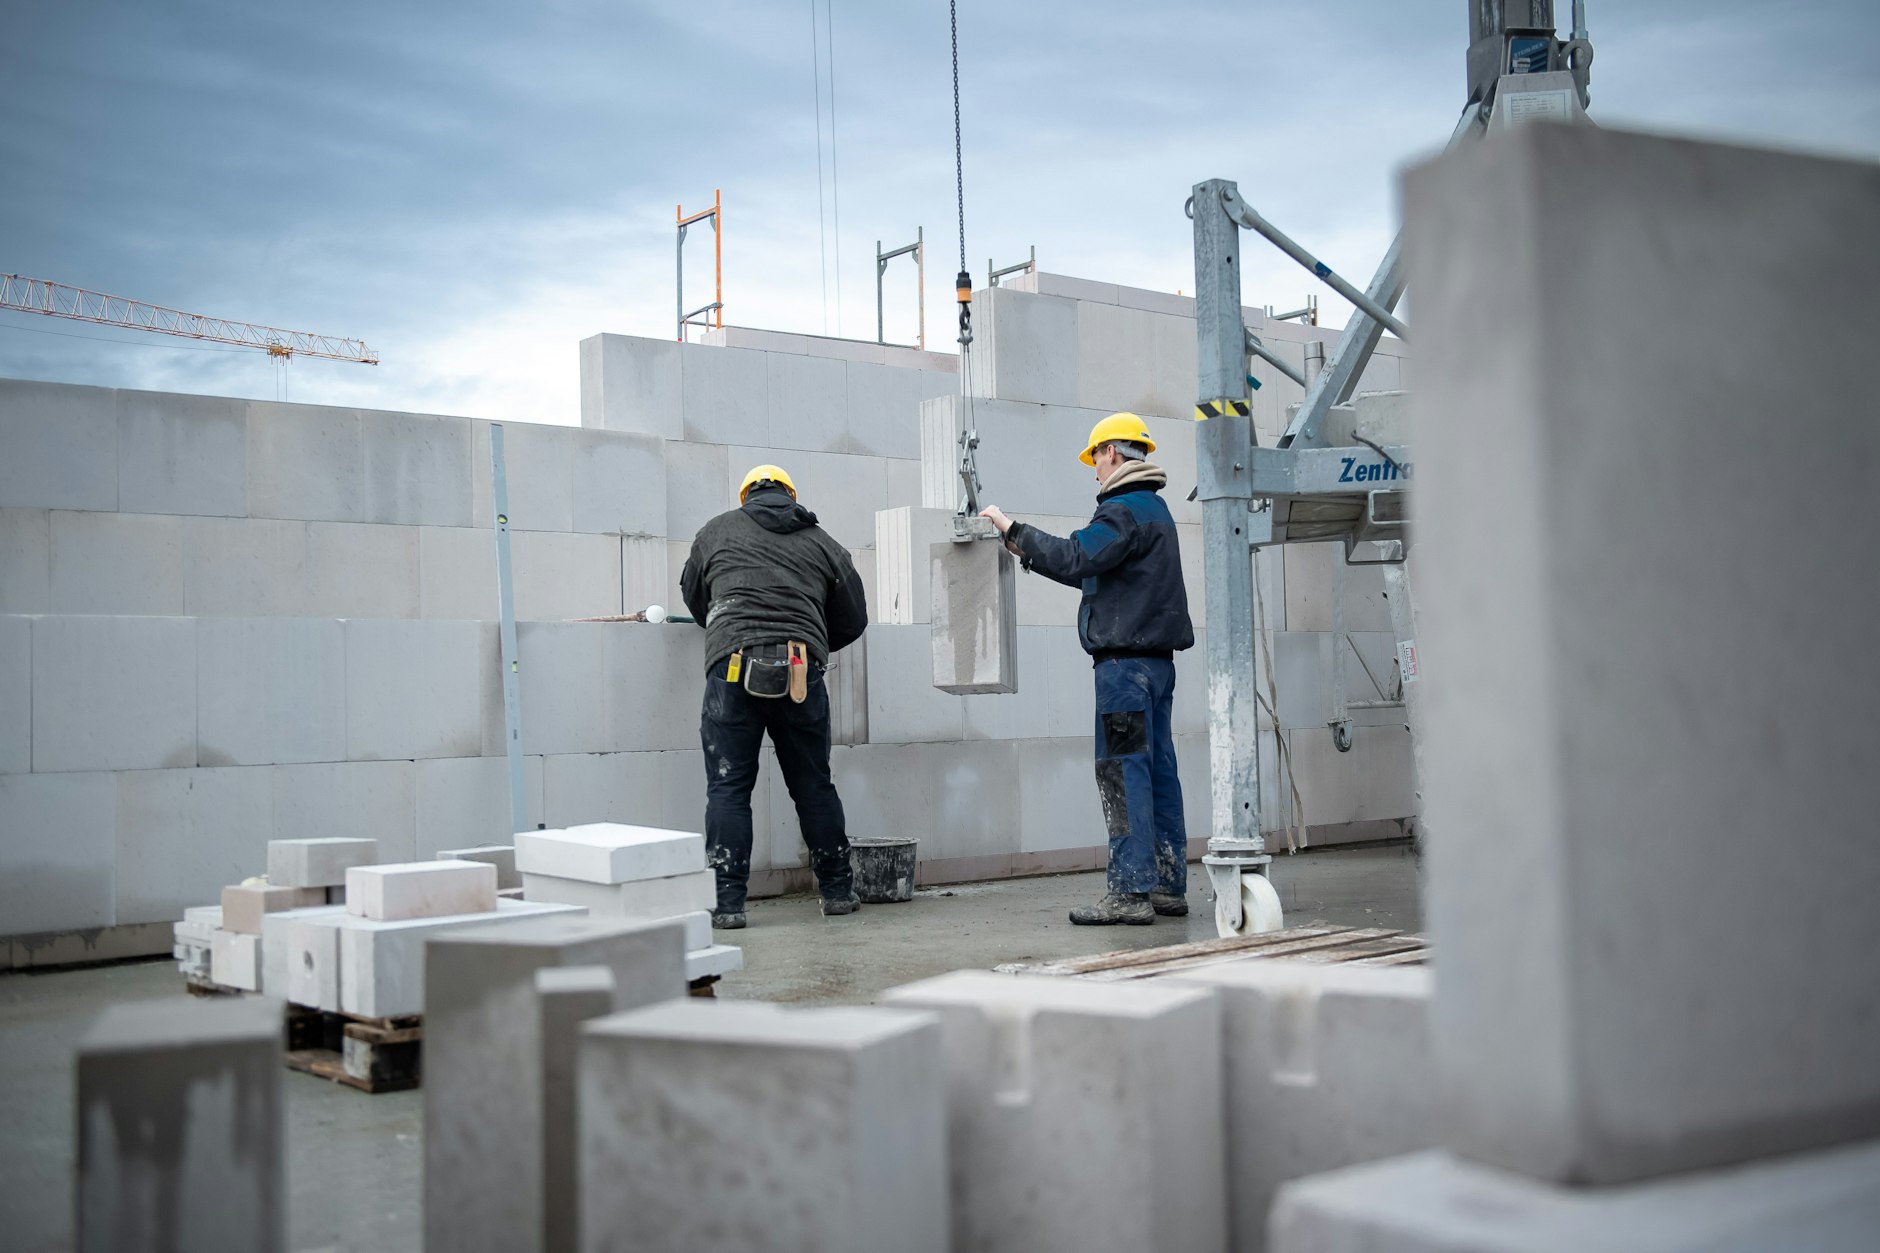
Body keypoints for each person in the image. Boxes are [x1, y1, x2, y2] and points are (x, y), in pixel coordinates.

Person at [979, 413, 1195, 925]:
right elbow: (1095, 571)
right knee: (1159, 770)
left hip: (1123, 672)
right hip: (1157, 667)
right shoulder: (1156, 511)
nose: (1094, 469)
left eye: (1095, 458)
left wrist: (1014, 530)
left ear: (1111, 453)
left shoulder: (1122, 510)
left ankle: (1130, 891)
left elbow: (1077, 557)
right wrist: (1030, 552)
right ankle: (1167, 886)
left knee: (1123, 772)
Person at [680, 464, 869, 930]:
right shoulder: (822, 542)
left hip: (732, 667)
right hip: (800, 669)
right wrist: (812, 640)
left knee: (728, 787)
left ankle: (727, 904)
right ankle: (837, 892)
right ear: (790, 495)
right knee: (813, 785)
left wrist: (730, 632)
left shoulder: (715, 531)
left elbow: (694, 596)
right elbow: (853, 617)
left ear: (746, 496)